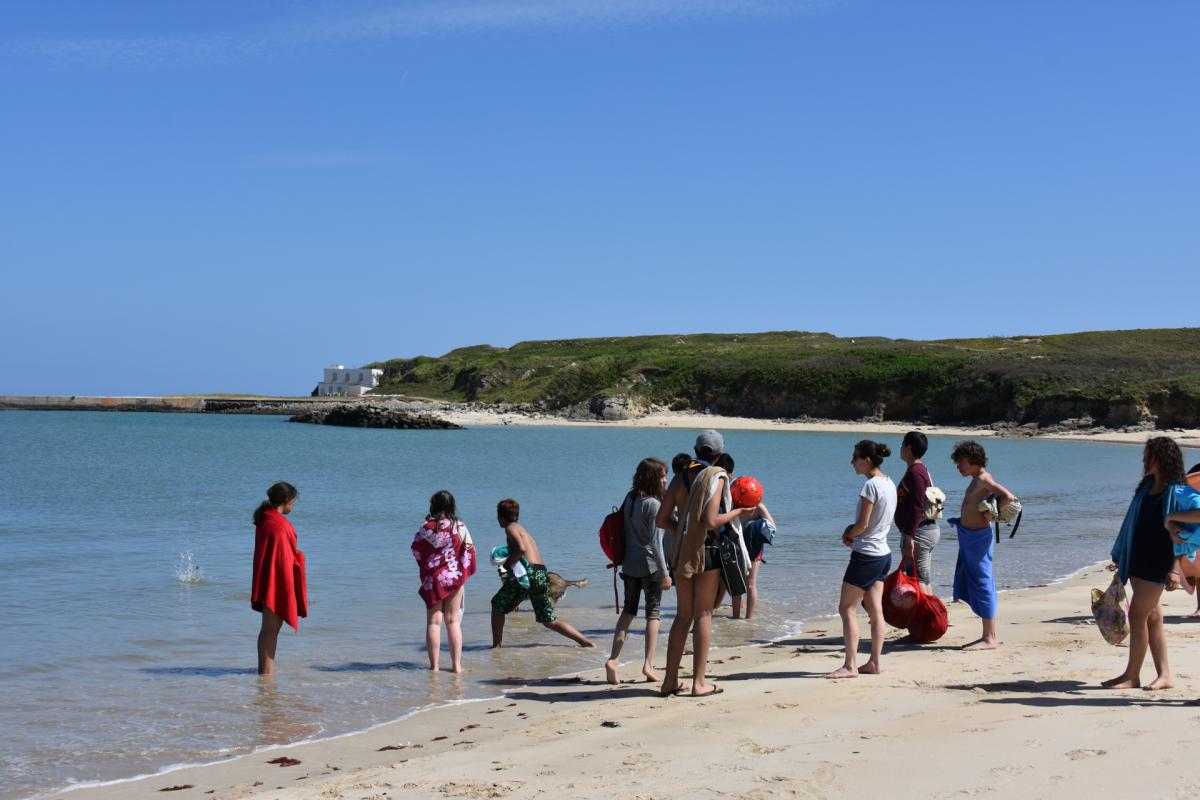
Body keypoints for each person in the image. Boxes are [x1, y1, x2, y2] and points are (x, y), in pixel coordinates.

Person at [655, 430, 756, 697]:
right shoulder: (716, 476)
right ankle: (699, 683)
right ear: (719, 454)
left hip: (681, 553)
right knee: (703, 615)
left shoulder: (680, 476)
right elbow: (711, 521)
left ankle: (669, 681)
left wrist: (683, 532)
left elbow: (661, 520)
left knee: (682, 616)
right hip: (707, 551)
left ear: (696, 449)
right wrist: (739, 512)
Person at [1104, 437, 1200, 690]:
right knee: (1153, 617)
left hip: (1159, 561)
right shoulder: (1146, 487)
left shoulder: (1179, 491)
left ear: (1163, 459)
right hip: (1138, 558)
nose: (1144, 460)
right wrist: (1120, 552)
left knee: (1137, 615)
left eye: (1149, 456)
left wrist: (1175, 568)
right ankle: (1165, 675)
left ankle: (1131, 675)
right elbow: (1132, 523)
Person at [827, 440, 896, 679]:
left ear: (867, 460)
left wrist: (849, 533)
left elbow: (863, 525)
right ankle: (874, 662)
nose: (852, 462)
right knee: (876, 611)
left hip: (866, 555)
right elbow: (876, 522)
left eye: (855, 457)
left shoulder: (870, 486)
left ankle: (850, 665)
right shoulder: (889, 483)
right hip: (883, 554)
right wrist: (854, 531)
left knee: (846, 608)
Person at [491, 498, 594, 648]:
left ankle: (496, 647)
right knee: (549, 621)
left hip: (530, 573)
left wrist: (506, 565)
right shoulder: (523, 530)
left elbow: (521, 549)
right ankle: (586, 642)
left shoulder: (510, 528)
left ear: (500, 517)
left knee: (497, 606)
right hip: (541, 573)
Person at [604, 458, 672, 685]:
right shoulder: (653, 504)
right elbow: (656, 544)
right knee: (653, 614)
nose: (665, 480)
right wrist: (665, 573)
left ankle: (613, 659)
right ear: (653, 478)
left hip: (629, 564)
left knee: (628, 612)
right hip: (650, 566)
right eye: (662, 476)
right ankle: (648, 665)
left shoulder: (630, 498)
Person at [948, 441, 1014, 651]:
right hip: (970, 536)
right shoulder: (977, 479)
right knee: (974, 579)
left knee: (982, 581)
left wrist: (991, 514)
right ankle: (988, 635)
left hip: (978, 539)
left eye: (960, 462)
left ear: (971, 460)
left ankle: (990, 637)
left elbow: (1008, 497)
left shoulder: (983, 479)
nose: (958, 467)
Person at [412, 490, 477, 673]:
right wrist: (461, 571)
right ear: (452, 506)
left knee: (433, 622)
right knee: (453, 621)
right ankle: (456, 666)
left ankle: (434, 667)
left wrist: (429, 566)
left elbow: (416, 548)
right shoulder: (460, 526)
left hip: (434, 579)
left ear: (433, 506)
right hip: (454, 576)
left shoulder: (426, 527)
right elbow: (470, 550)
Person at [251, 481, 306, 676]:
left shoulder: (266, 518)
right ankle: (265, 676)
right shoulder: (279, 524)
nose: (294, 505)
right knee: (270, 629)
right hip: (276, 581)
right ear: (287, 500)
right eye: (293, 501)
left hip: (268, 578)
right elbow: (282, 559)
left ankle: (265, 674)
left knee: (269, 628)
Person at [713, 453, 776, 620]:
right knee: (736, 582)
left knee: (749, 583)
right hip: (736, 545)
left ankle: (748, 617)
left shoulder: (756, 505)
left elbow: (772, 527)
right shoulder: (732, 499)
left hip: (753, 547)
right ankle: (734, 615)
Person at [895, 431, 940, 594]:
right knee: (922, 576)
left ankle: (926, 609)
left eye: (902, 444)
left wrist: (909, 536)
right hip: (923, 530)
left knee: (918, 577)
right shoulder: (918, 470)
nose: (900, 448)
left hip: (919, 531)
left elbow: (917, 506)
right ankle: (927, 608)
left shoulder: (916, 472)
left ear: (908, 447)